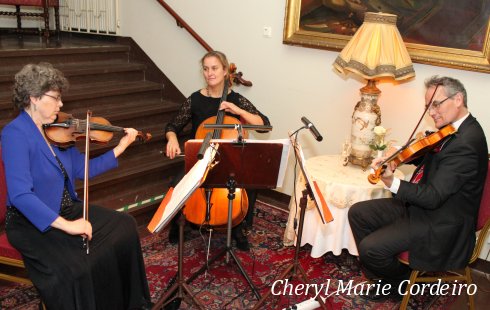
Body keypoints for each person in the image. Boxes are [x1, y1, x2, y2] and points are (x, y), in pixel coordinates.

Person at [1, 63, 152, 309]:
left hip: (67, 208)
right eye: (56, 98)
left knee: (124, 225)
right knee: (74, 271)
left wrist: (122, 146)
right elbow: (20, 196)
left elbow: (85, 170)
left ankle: (133, 304)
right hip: (31, 222)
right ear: (34, 98)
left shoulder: (59, 132)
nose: (61, 105)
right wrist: (69, 227)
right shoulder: (15, 134)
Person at [348, 76, 488, 301]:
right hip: (422, 207)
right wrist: (397, 157)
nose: (431, 112)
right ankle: (392, 280)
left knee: (371, 249)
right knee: (358, 213)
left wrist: (391, 181)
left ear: (458, 99)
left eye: (436, 104)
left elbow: (433, 197)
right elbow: (429, 153)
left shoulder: (467, 144)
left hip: (441, 221)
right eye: (427, 106)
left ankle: (399, 280)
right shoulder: (452, 128)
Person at [165, 50, 271, 251]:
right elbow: (172, 126)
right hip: (200, 158)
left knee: (250, 183)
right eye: (205, 69)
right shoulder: (195, 99)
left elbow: (264, 125)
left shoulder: (236, 100)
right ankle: (180, 225)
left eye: (214, 68)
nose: (209, 73)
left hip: (229, 161)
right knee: (176, 183)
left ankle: (239, 227)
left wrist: (238, 111)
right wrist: (171, 139)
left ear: (225, 71)